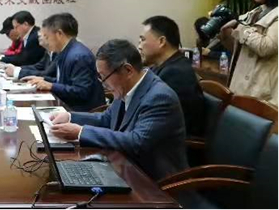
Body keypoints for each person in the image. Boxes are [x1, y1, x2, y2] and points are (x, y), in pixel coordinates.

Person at [49, 39, 188, 181]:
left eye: (104, 77)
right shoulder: (125, 87)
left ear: (128, 70)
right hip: (123, 167)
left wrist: (80, 132)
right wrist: (70, 117)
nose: (103, 84)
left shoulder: (159, 97)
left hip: (154, 182)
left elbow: (136, 142)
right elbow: (107, 119)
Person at [21, 13, 105, 111]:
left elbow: (81, 92)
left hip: (82, 111)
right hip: (67, 105)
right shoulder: (65, 51)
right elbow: (64, 81)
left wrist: (51, 86)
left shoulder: (79, 56)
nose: (46, 41)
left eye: (47, 37)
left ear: (59, 34)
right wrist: (43, 79)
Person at [222, 0, 278, 106]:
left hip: (263, 93)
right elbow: (240, 50)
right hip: (242, 86)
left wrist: (242, 29)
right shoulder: (257, 11)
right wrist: (226, 34)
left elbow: (266, 47)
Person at [139, 16, 206, 138]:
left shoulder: (176, 73)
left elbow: (157, 122)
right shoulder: (164, 66)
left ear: (161, 42)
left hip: (174, 144)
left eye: (143, 40)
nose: (139, 46)